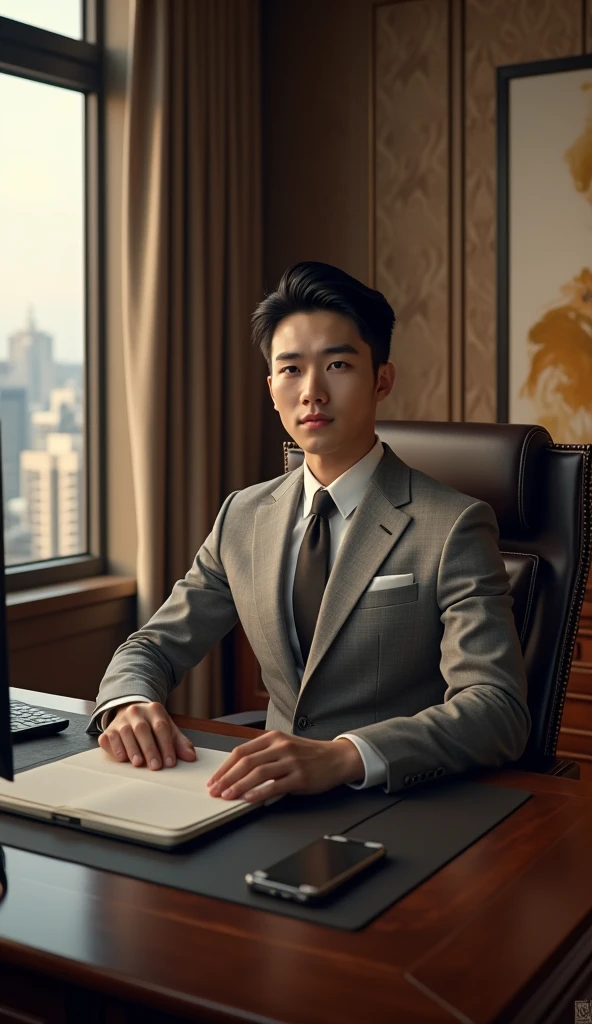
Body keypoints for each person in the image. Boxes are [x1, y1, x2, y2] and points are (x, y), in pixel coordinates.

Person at [88, 261, 530, 801]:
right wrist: (129, 702)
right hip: (262, 798)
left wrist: (344, 756)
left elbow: (496, 708)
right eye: (291, 369)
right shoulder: (242, 517)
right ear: (271, 386)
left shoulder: (454, 524)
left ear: (381, 380)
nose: (312, 392)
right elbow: (154, 646)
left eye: (338, 364)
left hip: (394, 802)